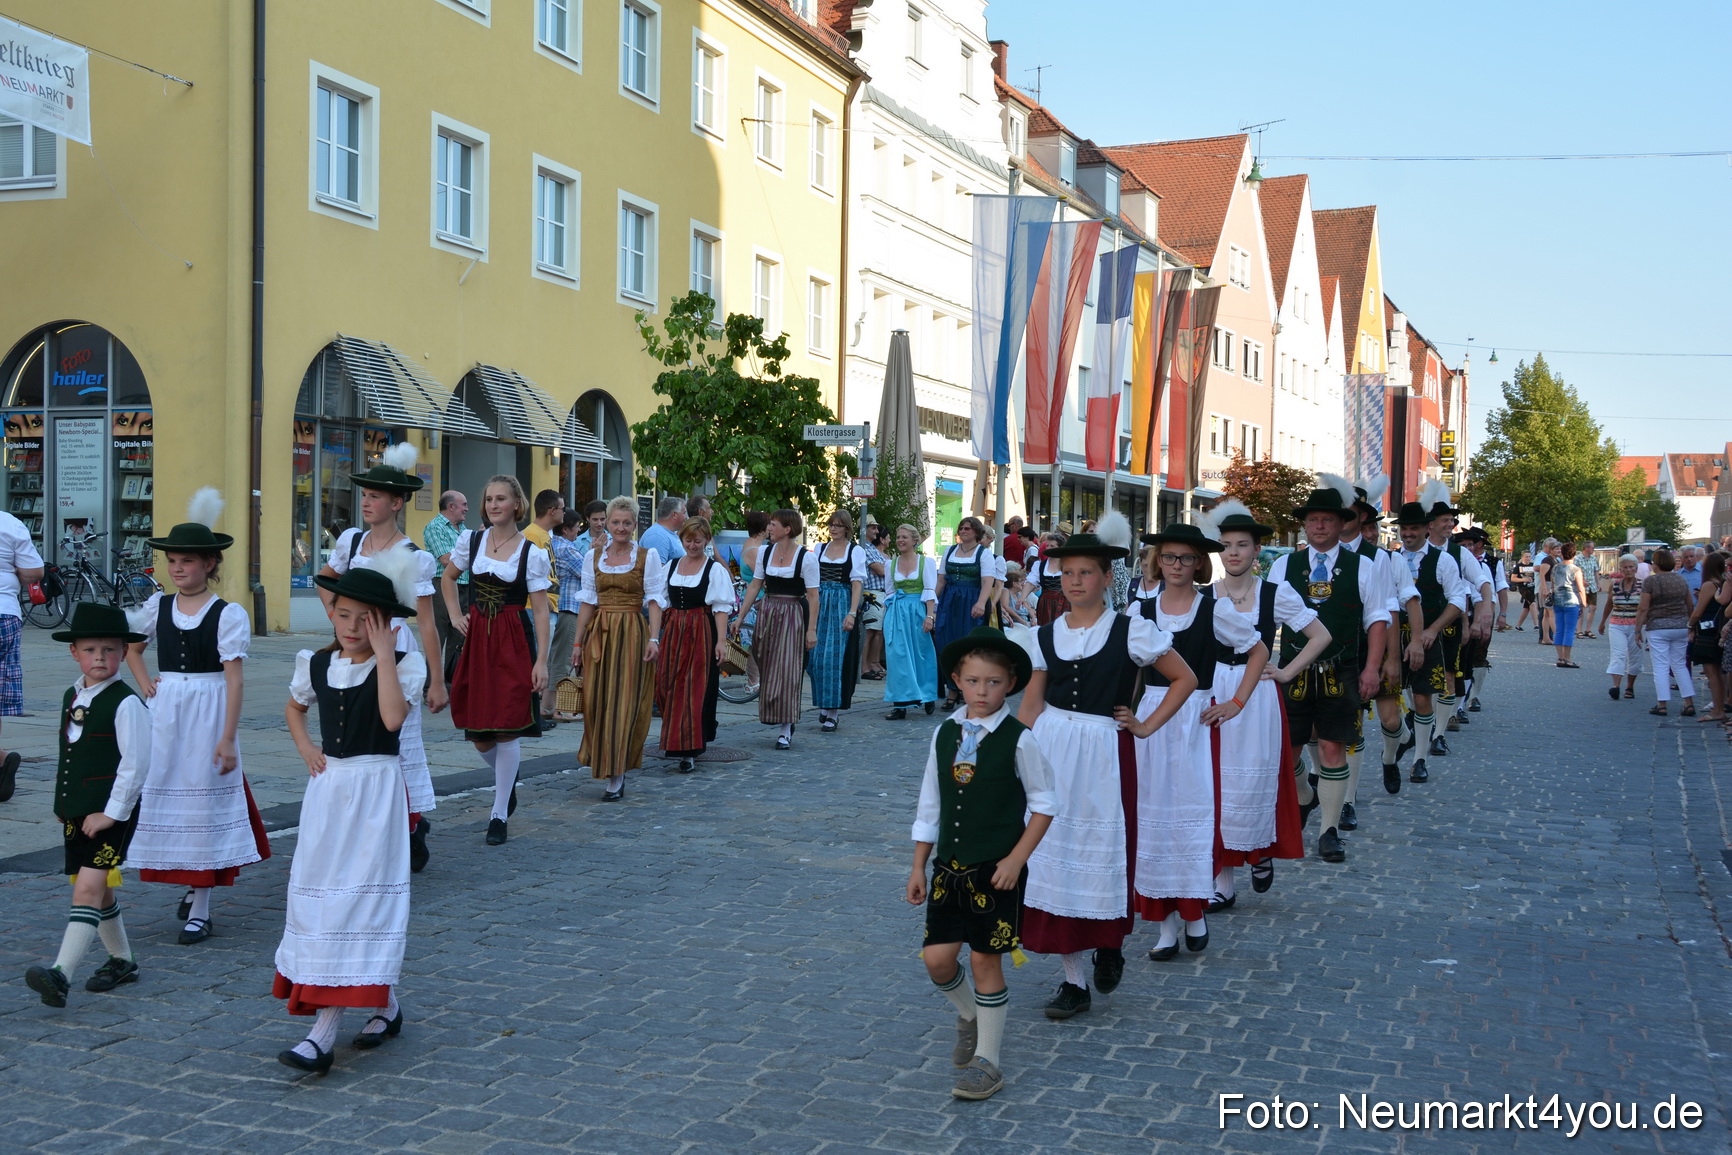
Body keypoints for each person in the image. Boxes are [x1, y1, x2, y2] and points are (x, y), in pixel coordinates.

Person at [1016, 515, 1196, 1020]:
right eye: (1068, 572)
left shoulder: (1131, 630)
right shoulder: (1044, 635)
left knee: (1104, 850)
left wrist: (1145, 725)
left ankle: (1110, 942)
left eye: (1086, 572)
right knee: (1051, 853)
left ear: (1105, 577)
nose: (1075, 581)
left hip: (1103, 752)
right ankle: (1073, 981)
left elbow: (1184, 678)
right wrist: (1010, 756)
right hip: (1052, 747)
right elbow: (1030, 706)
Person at [276, 564, 424, 1074]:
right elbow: (294, 708)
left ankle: (322, 1035)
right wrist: (305, 747)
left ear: (385, 623)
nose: (352, 627)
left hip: (376, 791)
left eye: (366, 619)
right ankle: (386, 1005)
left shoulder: (402, 664)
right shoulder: (317, 662)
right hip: (329, 790)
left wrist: (384, 657)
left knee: (358, 900)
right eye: (344, 615)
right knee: (323, 897)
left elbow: (392, 719)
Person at [907, 627, 1057, 1101]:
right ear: (957, 680)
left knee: (983, 959)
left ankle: (988, 1062)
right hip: (948, 869)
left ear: (1010, 683)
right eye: (973, 681)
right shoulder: (944, 733)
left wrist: (1016, 858)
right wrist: (918, 865)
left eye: (993, 682)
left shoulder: (1019, 739)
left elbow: (1045, 805)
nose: (982, 691)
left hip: (996, 869)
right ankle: (970, 1014)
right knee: (937, 959)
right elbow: (930, 804)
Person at [122, 492, 268, 945]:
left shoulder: (227, 614)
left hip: (208, 709)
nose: (177, 568)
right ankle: (189, 885)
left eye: (186, 561)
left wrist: (227, 737)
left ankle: (201, 907)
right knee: (166, 789)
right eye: (172, 561)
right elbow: (132, 648)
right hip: (167, 711)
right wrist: (146, 683)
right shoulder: (159, 606)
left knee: (203, 804)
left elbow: (235, 681)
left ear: (209, 564)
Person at [1124, 521, 1264, 961]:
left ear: (1199, 563)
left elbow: (1258, 650)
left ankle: (1194, 910)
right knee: (1150, 818)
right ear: (1157, 561)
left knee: (1191, 817)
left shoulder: (1214, 609)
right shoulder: (1139, 611)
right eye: (1169, 557)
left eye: (1186, 558)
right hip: (1151, 718)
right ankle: (1164, 925)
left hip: (1194, 723)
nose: (1177, 565)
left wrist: (1237, 702)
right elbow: (1128, 670)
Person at [318, 447, 447, 871]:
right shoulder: (351, 540)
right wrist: (339, 619)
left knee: (397, 741)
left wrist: (436, 680)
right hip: (355, 649)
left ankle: (409, 825)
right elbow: (327, 580)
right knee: (356, 734)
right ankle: (363, 825)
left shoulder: (415, 555)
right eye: (365, 495)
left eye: (375, 496)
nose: (366, 502)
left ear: (397, 503)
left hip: (394, 647)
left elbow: (426, 623)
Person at [23, 603, 150, 1008]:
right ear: (74, 652)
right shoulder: (72, 695)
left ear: (124, 653)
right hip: (79, 810)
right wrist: (65, 802)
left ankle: (60, 974)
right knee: (99, 889)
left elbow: (136, 765)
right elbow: (71, 754)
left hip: (112, 812)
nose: (100, 657)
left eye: (110, 649)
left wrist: (112, 813)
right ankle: (122, 960)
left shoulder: (126, 703)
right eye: (91, 649)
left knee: (88, 887)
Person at [1203, 502, 1330, 907]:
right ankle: (1222, 881)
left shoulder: (1275, 593)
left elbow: (1320, 635)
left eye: (1242, 545)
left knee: (1253, 781)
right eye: (1226, 545)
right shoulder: (1204, 595)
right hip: (1215, 690)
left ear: (1257, 550)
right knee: (1215, 784)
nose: (1233, 552)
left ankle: (1259, 851)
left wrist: (1287, 671)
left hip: (1257, 693)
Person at [1263, 479, 1389, 865]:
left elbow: (1377, 620)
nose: (1319, 526)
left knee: (1333, 747)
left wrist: (1372, 668)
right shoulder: (1283, 565)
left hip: (1342, 668)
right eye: (1313, 520)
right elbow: (1265, 620)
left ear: (1341, 524)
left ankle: (1329, 831)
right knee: (1287, 751)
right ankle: (1304, 794)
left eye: (1327, 520)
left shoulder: (1364, 566)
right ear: (1305, 525)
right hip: (1293, 670)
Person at [442, 475, 552, 841]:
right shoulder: (472, 541)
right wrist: (455, 615)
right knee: (480, 734)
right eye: (489, 499)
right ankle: (508, 778)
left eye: (500, 499)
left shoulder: (531, 553)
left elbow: (540, 611)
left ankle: (499, 813)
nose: (493, 505)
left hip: (514, 640)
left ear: (516, 504)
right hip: (478, 642)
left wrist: (541, 661)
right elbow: (448, 578)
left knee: (506, 724)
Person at [572, 496, 666, 798]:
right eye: (615, 522)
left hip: (631, 633)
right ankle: (603, 759)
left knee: (624, 701)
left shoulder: (647, 556)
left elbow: (655, 600)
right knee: (596, 701)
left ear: (635, 524)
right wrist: (578, 642)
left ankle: (617, 770)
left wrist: (654, 638)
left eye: (626, 522)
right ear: (607, 524)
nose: (621, 527)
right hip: (600, 633)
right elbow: (588, 601)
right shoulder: (593, 556)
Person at [732, 509, 819, 750]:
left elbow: (813, 596)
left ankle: (786, 727)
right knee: (768, 666)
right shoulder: (765, 552)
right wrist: (740, 617)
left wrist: (811, 630)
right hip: (768, 612)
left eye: (773, 524)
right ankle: (775, 713)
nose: (769, 528)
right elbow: (754, 586)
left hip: (792, 613)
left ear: (787, 529)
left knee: (789, 669)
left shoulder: (806, 558)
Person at [1393, 502, 1468, 781]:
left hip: (1426, 637)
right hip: (1393, 638)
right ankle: (1404, 735)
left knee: (1423, 696)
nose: (1408, 533)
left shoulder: (1443, 560)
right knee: (1390, 698)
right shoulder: (1390, 559)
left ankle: (1420, 759)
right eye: (1404, 528)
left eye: (1414, 528)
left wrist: (1433, 630)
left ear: (1426, 528)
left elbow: (1458, 600)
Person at [656, 517, 732, 773]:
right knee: (666, 685)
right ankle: (676, 738)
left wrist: (721, 641)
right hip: (673, 632)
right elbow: (660, 602)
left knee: (694, 689)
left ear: (707, 540)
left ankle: (689, 750)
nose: (692, 545)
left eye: (697, 541)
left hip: (701, 631)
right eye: (688, 540)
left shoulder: (714, 570)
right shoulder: (671, 566)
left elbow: (721, 608)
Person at [0, 505, 44, 802]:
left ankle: (2, 760)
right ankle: (1, 761)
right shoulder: (9, 523)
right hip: (5, 614)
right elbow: (34, 572)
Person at [808, 510, 866, 733]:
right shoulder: (820, 548)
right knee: (816, 659)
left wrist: (852, 612)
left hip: (841, 603)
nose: (833, 528)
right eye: (831, 524)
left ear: (847, 528)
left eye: (838, 525)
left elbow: (856, 584)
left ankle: (833, 712)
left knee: (836, 659)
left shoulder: (855, 551)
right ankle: (824, 702)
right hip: (821, 602)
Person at [934, 518, 995, 708]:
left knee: (969, 647)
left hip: (971, 601)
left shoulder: (983, 554)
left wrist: (981, 603)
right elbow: (941, 580)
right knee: (946, 643)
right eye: (961, 528)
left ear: (976, 531)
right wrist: (932, 603)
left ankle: (968, 690)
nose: (963, 531)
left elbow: (987, 582)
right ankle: (952, 690)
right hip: (949, 601)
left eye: (967, 528)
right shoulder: (950, 551)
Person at [883, 524, 939, 720]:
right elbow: (889, 593)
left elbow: (930, 591)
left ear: (915, 541)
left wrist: (929, 616)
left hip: (917, 611)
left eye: (904, 537)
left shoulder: (925, 562)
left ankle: (927, 694)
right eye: (898, 537)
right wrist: (888, 618)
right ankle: (900, 703)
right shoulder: (890, 564)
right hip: (896, 612)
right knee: (897, 657)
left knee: (921, 654)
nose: (900, 540)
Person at [1632, 548, 1696, 718]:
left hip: (1658, 627)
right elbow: (1689, 604)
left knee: (1660, 665)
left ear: (1657, 563)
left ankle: (1662, 704)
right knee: (1680, 664)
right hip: (1680, 626)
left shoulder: (1651, 581)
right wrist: (1691, 624)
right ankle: (1688, 702)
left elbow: (1643, 607)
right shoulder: (1681, 579)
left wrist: (1637, 630)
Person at [524, 490, 566, 726]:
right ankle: (531, 715)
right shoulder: (532, 535)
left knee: (542, 660)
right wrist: (545, 601)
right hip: (535, 607)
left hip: (545, 606)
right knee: (536, 661)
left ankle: (534, 713)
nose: (564, 513)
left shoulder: (542, 535)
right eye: (562, 508)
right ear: (551, 511)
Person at [422, 490, 469, 678]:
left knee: (459, 637)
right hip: (442, 586)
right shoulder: (435, 527)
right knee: (437, 636)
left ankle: (452, 683)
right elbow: (446, 560)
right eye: (463, 504)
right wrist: (470, 555)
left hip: (464, 586)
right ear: (451, 506)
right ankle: (430, 684)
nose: (467, 508)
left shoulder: (463, 528)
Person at [547, 510, 585, 707]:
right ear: (565, 529)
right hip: (569, 608)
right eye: (576, 527)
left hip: (557, 607)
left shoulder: (551, 544)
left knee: (553, 657)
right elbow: (589, 573)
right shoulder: (566, 549)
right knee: (564, 659)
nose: (578, 532)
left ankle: (547, 705)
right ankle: (559, 707)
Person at [1597, 553, 1645, 701]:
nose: (1628, 570)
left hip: (1636, 626)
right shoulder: (1615, 584)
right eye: (1625, 567)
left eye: (1631, 567)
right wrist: (1602, 621)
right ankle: (1616, 686)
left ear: (1636, 568)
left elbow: (1646, 607)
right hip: (1617, 624)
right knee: (1618, 655)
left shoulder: (1643, 585)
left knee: (1635, 657)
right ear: (1621, 569)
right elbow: (1609, 603)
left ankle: (1630, 686)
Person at [1687, 551, 1726, 722]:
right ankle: (1720, 707)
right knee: (1718, 672)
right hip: (1717, 630)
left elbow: (1699, 611)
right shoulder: (1722, 583)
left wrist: (1690, 625)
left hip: (1708, 632)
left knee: (1712, 672)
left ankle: (1717, 710)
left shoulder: (1709, 584)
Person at [737, 510, 771, 694]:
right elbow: (762, 579)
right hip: (755, 601)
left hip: (752, 598)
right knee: (753, 643)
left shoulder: (751, 545)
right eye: (769, 525)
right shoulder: (755, 551)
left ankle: (754, 681)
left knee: (753, 642)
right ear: (762, 529)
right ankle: (753, 682)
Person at [858, 522, 890, 680]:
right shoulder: (864, 547)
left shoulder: (871, 548)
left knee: (877, 631)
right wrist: (887, 567)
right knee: (869, 631)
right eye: (873, 528)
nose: (876, 531)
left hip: (880, 593)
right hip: (871, 593)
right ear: (864, 528)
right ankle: (864, 667)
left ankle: (871, 664)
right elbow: (882, 570)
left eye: (877, 528)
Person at [1549, 543, 1588, 669]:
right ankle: (1567, 658)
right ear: (1574, 554)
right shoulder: (1575, 569)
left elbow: (1553, 584)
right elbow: (1580, 588)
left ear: (1562, 553)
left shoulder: (1555, 568)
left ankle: (1560, 657)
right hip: (1571, 601)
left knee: (1559, 629)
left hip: (1558, 601)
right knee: (1570, 630)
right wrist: (1584, 603)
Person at [1028, 535, 1070, 625]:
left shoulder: (1068, 564)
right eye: (1047, 545)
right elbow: (1031, 582)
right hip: (1045, 602)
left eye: (1052, 546)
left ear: (1060, 548)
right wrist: (1022, 598)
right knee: (1046, 627)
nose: (1049, 548)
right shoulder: (1040, 565)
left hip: (1064, 601)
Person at [639, 496, 686, 563]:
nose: (686, 517)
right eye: (684, 513)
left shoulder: (666, 533)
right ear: (674, 515)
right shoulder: (657, 536)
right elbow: (657, 568)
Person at [1578, 541, 1601, 639]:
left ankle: (1588, 629)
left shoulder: (1593, 558)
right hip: (1582, 587)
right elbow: (1575, 572)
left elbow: (1596, 571)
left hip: (1592, 586)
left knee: (1593, 607)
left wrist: (1598, 583)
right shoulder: (1577, 559)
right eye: (1592, 547)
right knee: (1581, 608)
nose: (1593, 549)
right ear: (1586, 548)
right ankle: (1579, 630)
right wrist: (1581, 581)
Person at [1510, 550, 1535, 631]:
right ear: (1522, 557)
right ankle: (1537, 624)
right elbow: (1513, 578)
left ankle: (1518, 625)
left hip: (1532, 587)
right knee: (1533, 603)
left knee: (1527, 607)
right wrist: (1523, 579)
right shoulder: (1518, 566)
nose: (1528, 558)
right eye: (1526, 557)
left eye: (1529, 557)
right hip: (1523, 588)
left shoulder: (1533, 565)